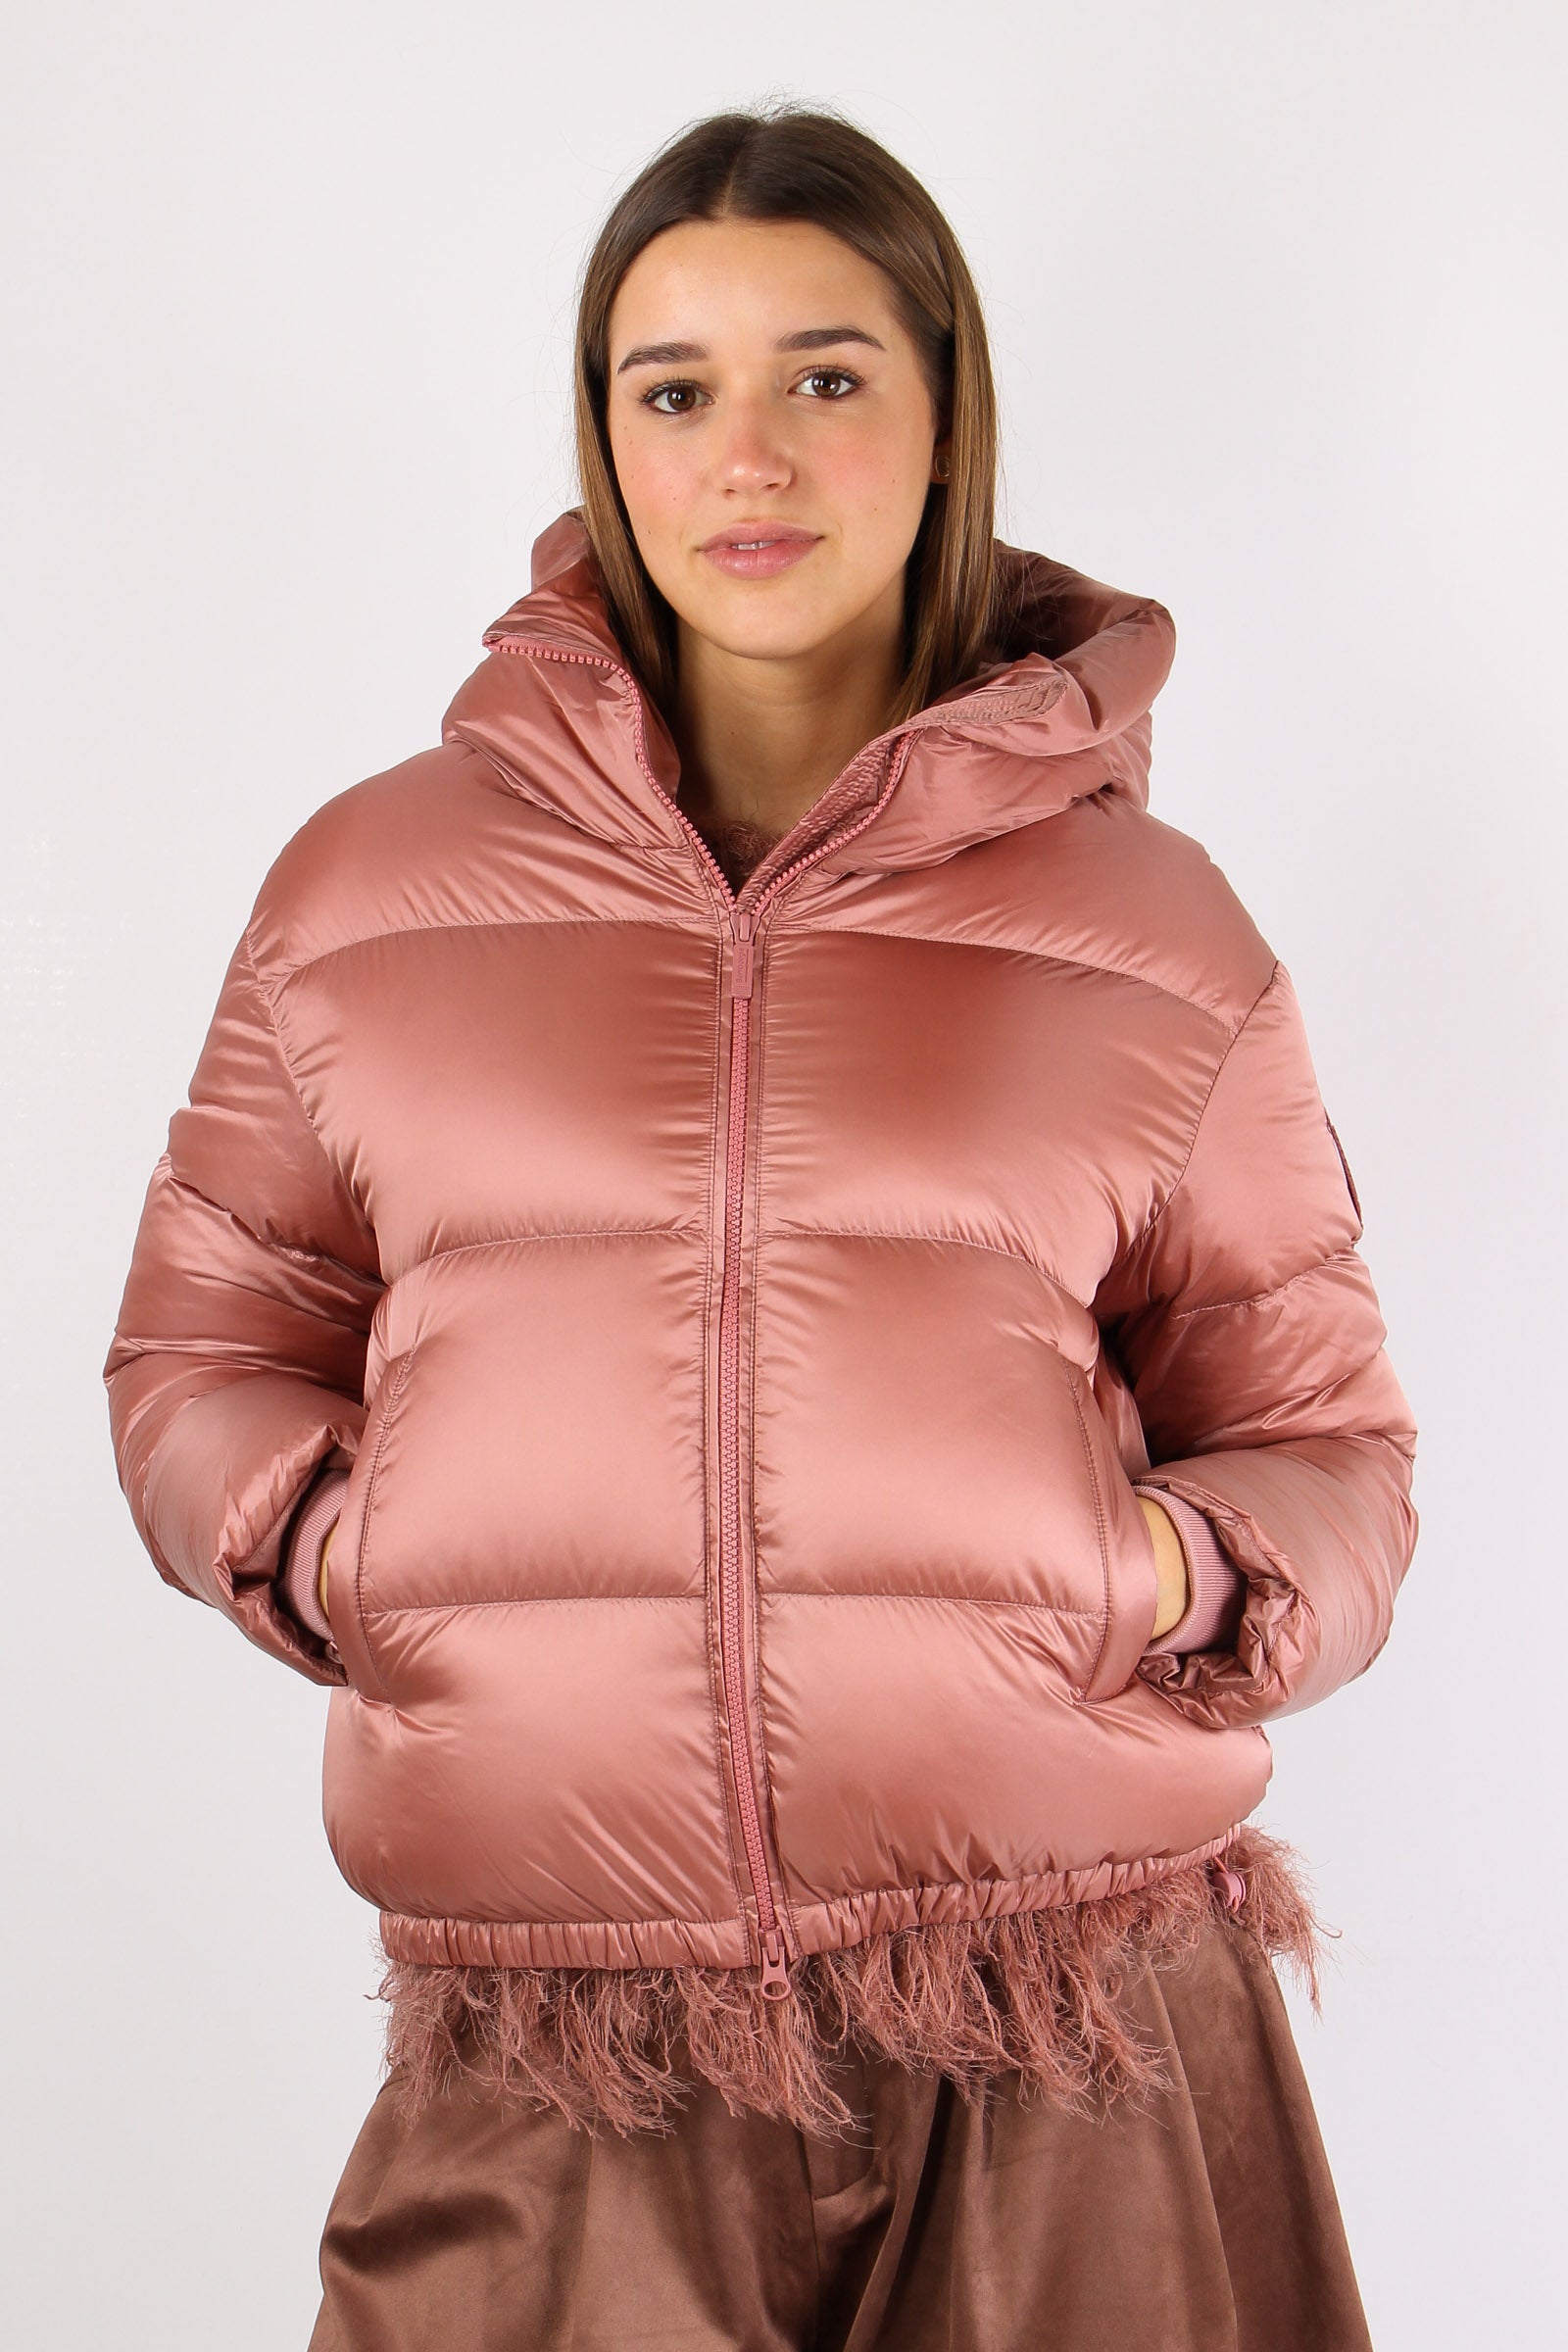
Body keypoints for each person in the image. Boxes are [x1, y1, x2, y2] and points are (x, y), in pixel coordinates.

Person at [103, 102, 1419, 2352]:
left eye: (825, 375)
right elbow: (200, 1355)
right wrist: (350, 1556)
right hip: (560, 2030)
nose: (748, 454)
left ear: (943, 419)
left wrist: (1152, 1576)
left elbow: (1326, 1448)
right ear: (603, 439)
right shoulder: (366, 895)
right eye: (673, 387)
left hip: (1071, 2004)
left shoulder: (1149, 930)